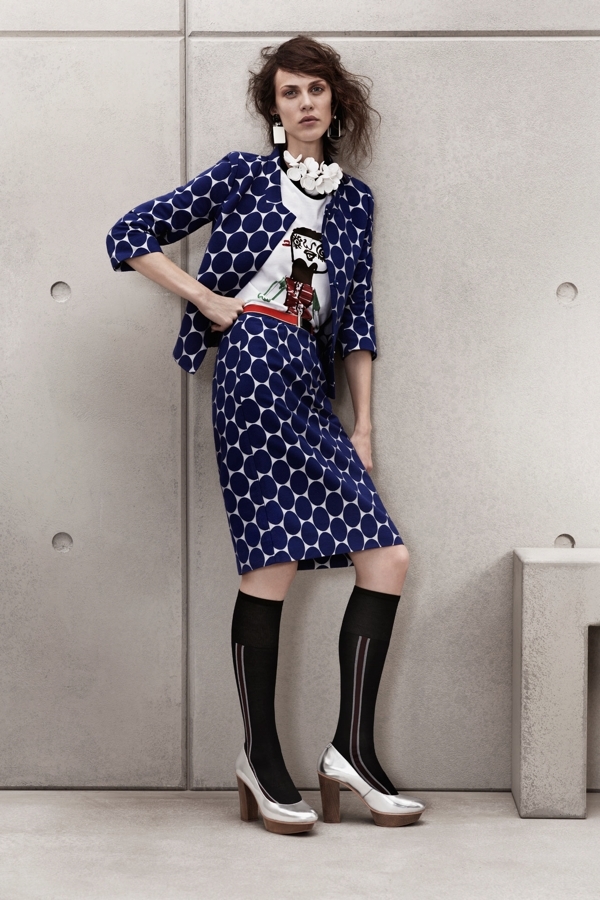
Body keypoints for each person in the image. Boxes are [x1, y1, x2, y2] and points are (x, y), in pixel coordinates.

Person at [107, 35, 424, 835]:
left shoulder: (355, 202)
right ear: (274, 109)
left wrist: (365, 427)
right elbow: (129, 234)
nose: (305, 102)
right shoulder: (245, 175)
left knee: (386, 558)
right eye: (290, 92)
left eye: (316, 89)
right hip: (251, 364)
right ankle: (261, 756)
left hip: (311, 383)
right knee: (271, 562)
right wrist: (211, 303)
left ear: (335, 102)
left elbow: (357, 319)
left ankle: (351, 751)